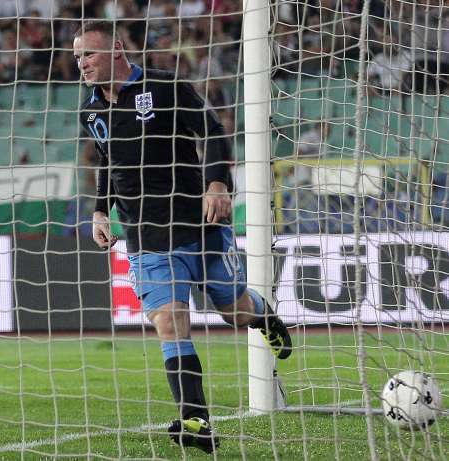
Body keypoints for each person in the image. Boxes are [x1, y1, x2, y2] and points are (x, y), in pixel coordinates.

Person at [73, 21, 292, 454]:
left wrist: (216, 184)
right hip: (145, 235)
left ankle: (263, 315)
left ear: (116, 49)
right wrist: (101, 210)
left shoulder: (165, 86)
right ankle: (196, 419)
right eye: (77, 56)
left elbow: (212, 132)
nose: (81, 64)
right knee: (170, 322)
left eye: (89, 55)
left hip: (199, 223)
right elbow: (110, 163)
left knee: (236, 314)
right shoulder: (91, 110)